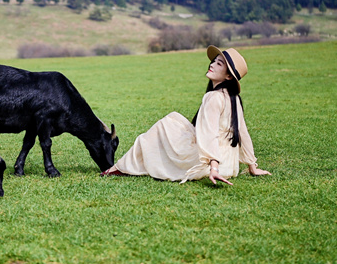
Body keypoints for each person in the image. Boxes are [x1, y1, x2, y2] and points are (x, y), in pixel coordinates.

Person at [102, 46, 271, 185]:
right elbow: (242, 132)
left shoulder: (213, 97)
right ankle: (128, 166)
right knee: (173, 119)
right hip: (229, 165)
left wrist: (213, 167)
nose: (212, 64)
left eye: (219, 64)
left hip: (211, 163)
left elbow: (210, 133)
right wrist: (252, 165)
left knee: (160, 128)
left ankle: (121, 168)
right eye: (214, 61)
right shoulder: (233, 97)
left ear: (228, 76)